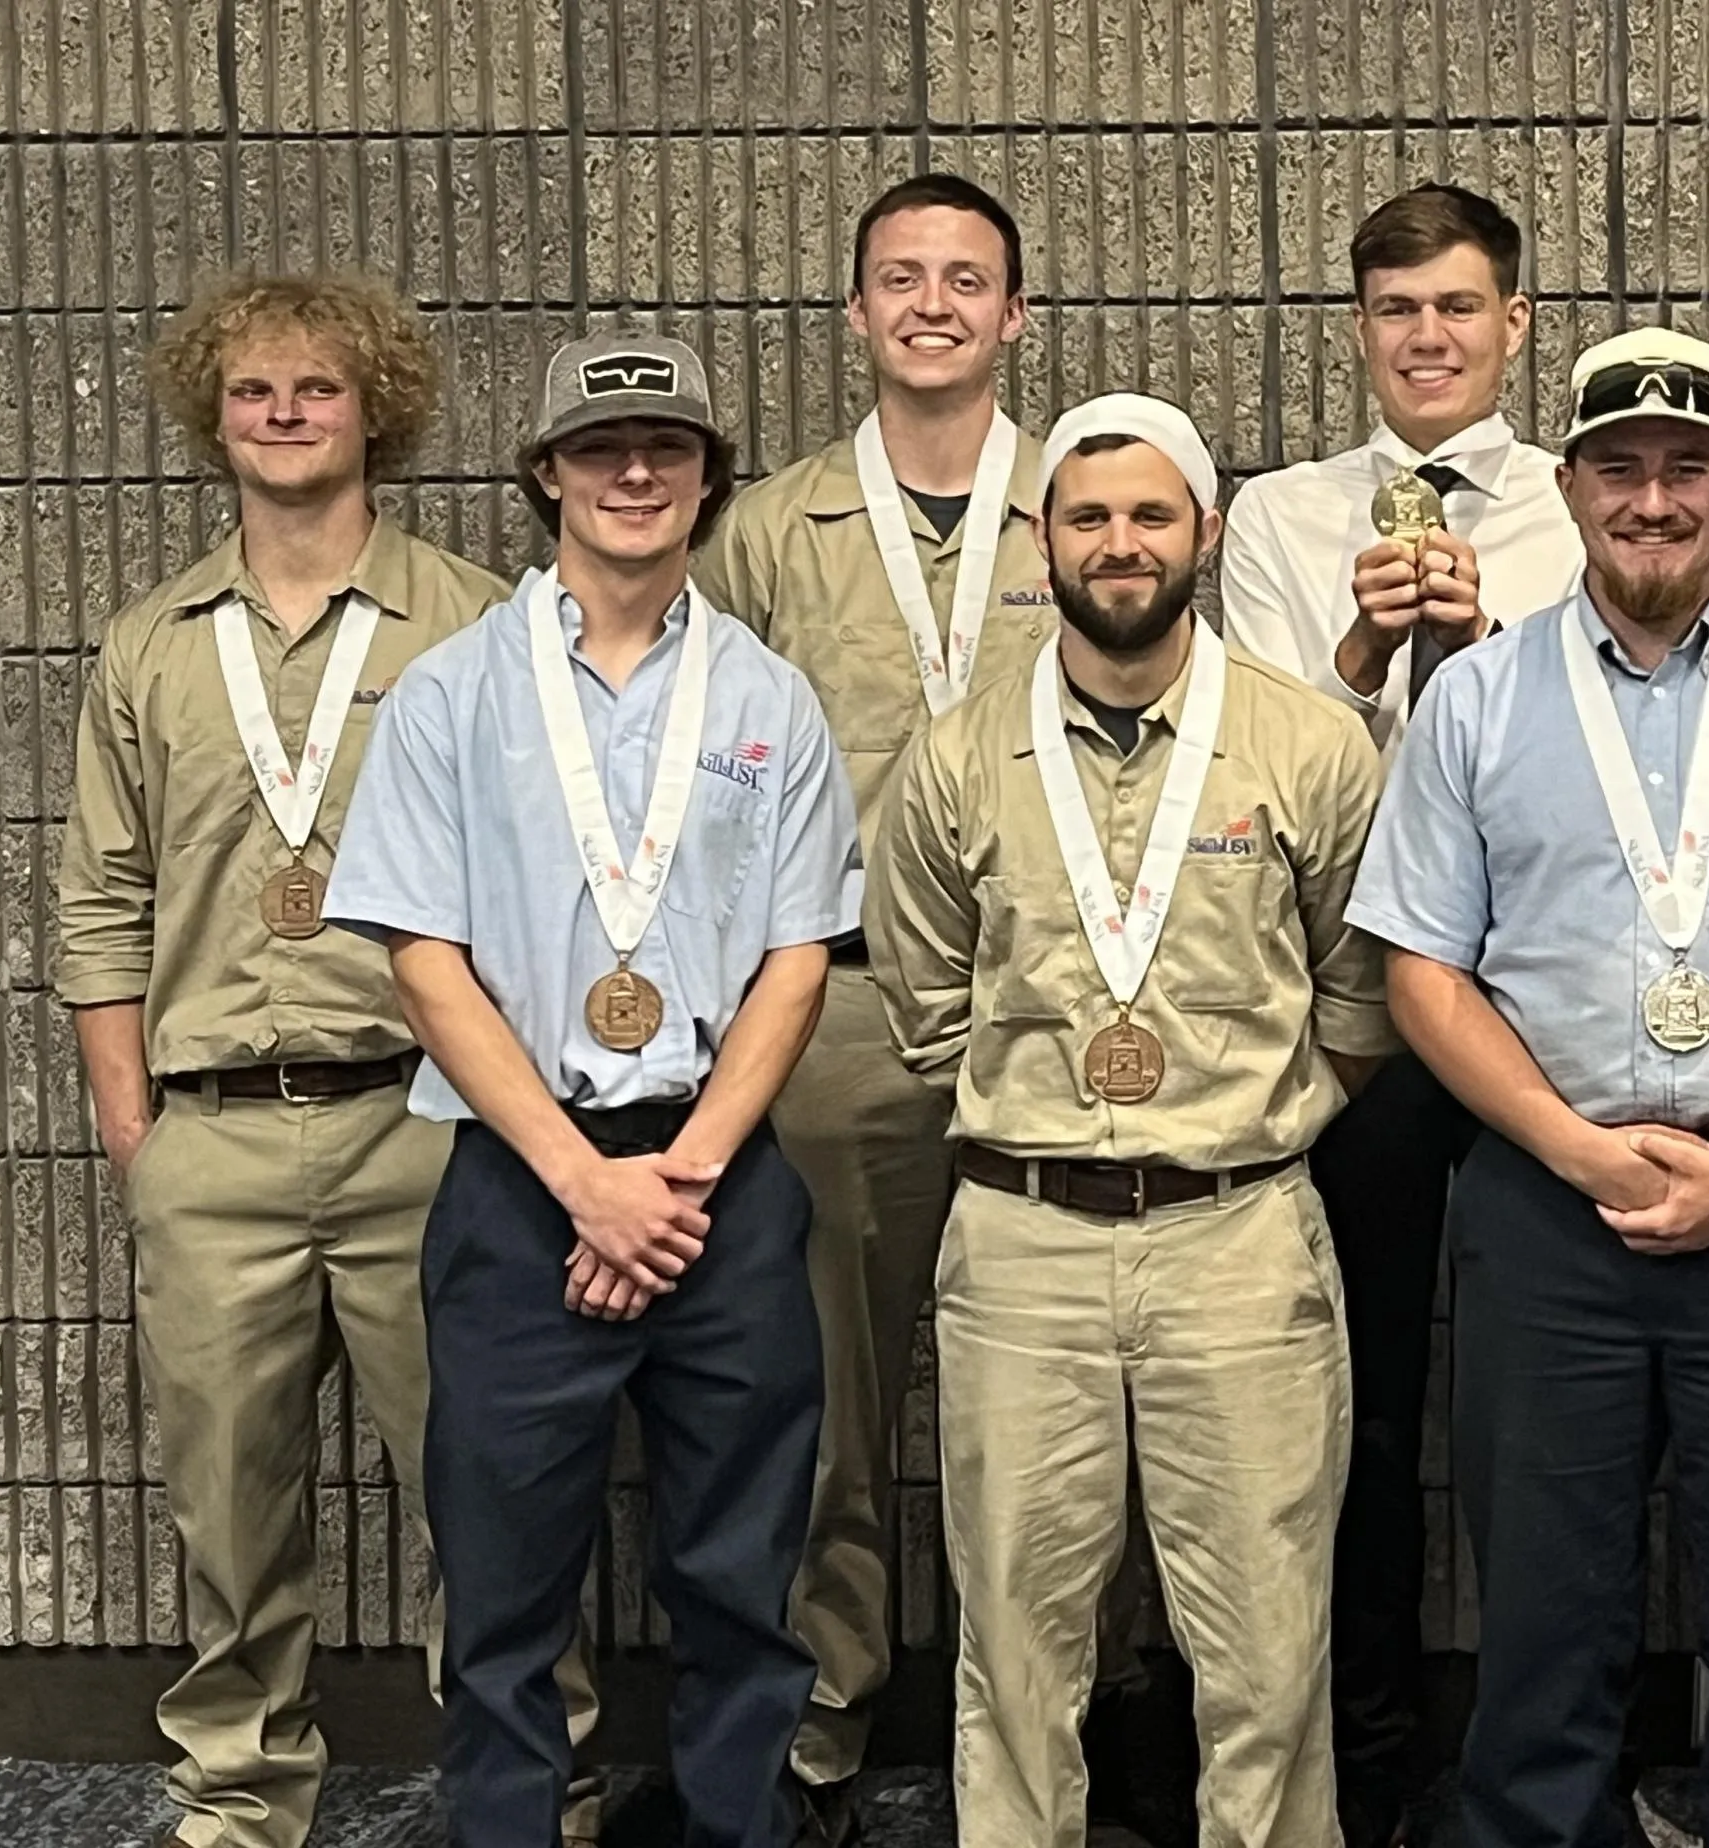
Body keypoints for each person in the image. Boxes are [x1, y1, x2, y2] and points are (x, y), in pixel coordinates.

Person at [1347, 327, 1709, 1848]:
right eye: (1621, 469)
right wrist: (1572, 1150)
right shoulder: (1480, 700)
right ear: (1573, 488)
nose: (1654, 501)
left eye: (1687, 468)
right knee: (1544, 1614)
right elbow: (1425, 969)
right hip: (1550, 1215)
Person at [52, 272, 599, 1848]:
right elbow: (102, 898)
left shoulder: (484, 623)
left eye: (317, 389)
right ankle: (239, 1788)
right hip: (213, 1137)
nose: (285, 413)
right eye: (253, 392)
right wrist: (134, 1130)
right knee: (229, 1503)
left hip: (427, 1122)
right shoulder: (151, 645)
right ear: (211, 418)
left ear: (380, 412)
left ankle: (528, 1777)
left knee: (489, 1484)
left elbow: (560, 871)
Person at [323, 332, 857, 1848]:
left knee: (744, 1572)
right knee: (501, 1581)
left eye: (669, 449)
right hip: (520, 1182)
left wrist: (674, 1177)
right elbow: (425, 964)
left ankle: (734, 1826)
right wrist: (583, 1182)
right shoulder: (449, 695)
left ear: (707, 479)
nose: (636, 473)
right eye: (603, 449)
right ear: (545, 473)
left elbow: (799, 963)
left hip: (718, 1183)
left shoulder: (773, 701)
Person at [863, 393, 1397, 1848]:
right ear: (1043, 542)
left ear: (1205, 535)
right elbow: (923, 1005)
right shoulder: (960, 757)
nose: (1120, 543)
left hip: (1241, 1241)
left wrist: (1248, 1123)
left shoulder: (1307, 748)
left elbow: (1362, 994)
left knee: (1268, 1648)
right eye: (1088, 516)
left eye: (1152, 514)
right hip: (1022, 1245)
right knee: (1019, 1647)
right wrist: (1043, 1124)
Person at [1218, 182, 1585, 1845]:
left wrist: (1494, 647)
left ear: (1514, 325)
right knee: (1348, 1402)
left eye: (1457, 308)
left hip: (1538, 1022)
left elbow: (1610, 752)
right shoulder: (1281, 520)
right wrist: (1363, 643)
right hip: (1348, 1014)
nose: (1427, 340)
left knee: (1532, 1408)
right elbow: (1257, 765)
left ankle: (1529, 1755)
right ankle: (1362, 1753)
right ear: (1356, 329)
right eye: (1394, 312)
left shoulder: (1585, 509)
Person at [695, 171, 1059, 1841]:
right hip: (835, 1016)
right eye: (900, 278)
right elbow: (708, 784)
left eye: (965, 279)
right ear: (854, 313)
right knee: (835, 1389)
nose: (933, 303)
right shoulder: (769, 528)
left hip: (1055, 1003)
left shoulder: (1091, 497)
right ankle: (829, 1710)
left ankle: (1052, 1715)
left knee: (1056, 1390)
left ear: (1013, 315)